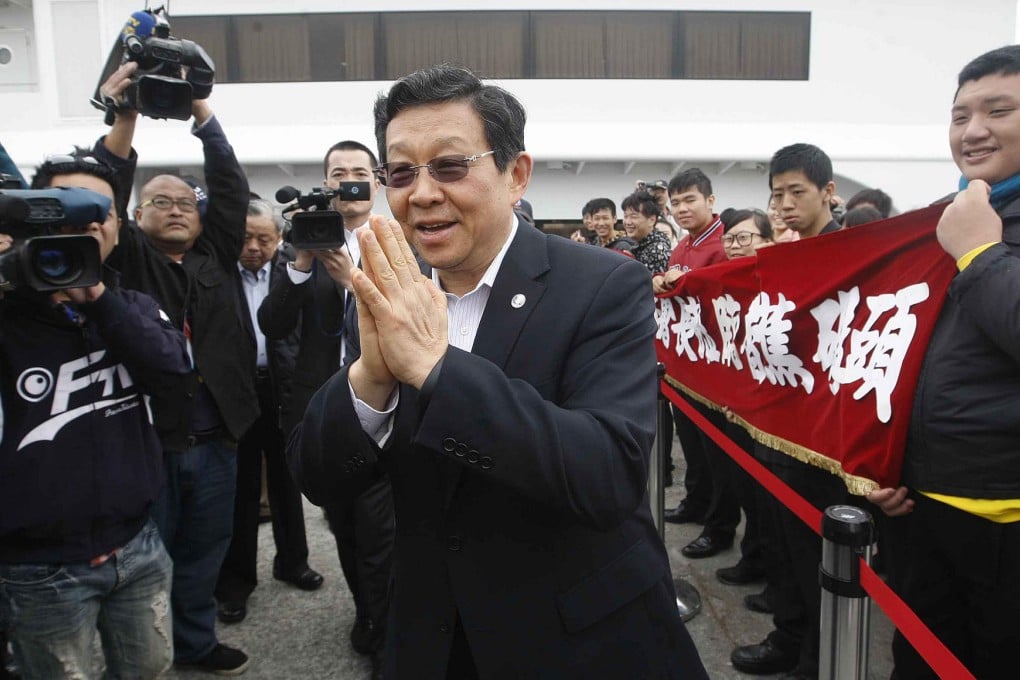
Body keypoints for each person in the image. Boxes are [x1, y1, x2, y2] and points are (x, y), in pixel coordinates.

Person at [289, 64, 707, 679]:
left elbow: (607, 474)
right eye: (400, 172)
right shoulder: (389, 293)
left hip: (576, 638)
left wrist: (436, 371)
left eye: (450, 166)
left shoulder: (602, 285)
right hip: (431, 634)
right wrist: (370, 380)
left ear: (516, 175)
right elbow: (320, 478)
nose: (422, 193)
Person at [92, 61, 257, 674]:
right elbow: (106, 189)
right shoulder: (129, 260)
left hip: (218, 439)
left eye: (187, 202)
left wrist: (200, 109)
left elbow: (230, 185)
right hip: (151, 441)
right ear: (137, 216)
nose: (177, 210)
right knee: (146, 556)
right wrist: (126, 116)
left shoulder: (215, 257)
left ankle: (194, 643)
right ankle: (144, 654)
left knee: (205, 549)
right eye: (161, 201)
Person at [0, 151, 191, 678]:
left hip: (138, 545)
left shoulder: (131, 305)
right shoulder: (8, 318)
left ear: (117, 227)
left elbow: (175, 371)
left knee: (151, 668)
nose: (85, 225)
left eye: (99, 213)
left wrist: (98, 298)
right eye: (64, 210)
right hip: (39, 568)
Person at [867, 45, 1020, 680]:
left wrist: (980, 254)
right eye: (960, 116)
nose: (973, 130)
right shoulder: (945, 218)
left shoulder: (968, 232)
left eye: (998, 111)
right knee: (920, 659)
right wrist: (882, 459)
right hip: (919, 507)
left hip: (1004, 520)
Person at [260, 140, 394, 678]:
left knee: (380, 531)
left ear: (377, 182)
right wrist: (300, 260)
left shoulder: (396, 242)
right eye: (338, 173)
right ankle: (366, 612)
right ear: (325, 184)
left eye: (359, 171)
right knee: (343, 525)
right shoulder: (302, 244)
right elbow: (272, 324)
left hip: (386, 408)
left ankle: (386, 638)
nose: (348, 181)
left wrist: (351, 280)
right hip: (326, 409)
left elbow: (407, 320)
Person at [731, 143, 845, 680]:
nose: (785, 204)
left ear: (828, 192)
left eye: (797, 192)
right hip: (777, 427)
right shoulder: (780, 257)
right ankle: (788, 636)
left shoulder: (851, 254)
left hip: (824, 440)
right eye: (777, 194)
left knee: (814, 558)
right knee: (782, 548)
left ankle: (816, 660)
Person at [215, 199, 324, 626]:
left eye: (264, 238)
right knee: (241, 491)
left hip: (282, 388)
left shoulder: (294, 267)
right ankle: (236, 583)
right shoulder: (217, 272)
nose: (254, 247)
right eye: (245, 238)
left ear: (279, 238)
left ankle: (293, 562)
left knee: (286, 483)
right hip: (238, 392)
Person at [623, 190, 672, 274]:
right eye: (625, 216)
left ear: (651, 220)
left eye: (634, 216)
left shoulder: (656, 251)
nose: (628, 222)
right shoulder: (640, 245)